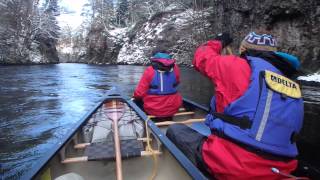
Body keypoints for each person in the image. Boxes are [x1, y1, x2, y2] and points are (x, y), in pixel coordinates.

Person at [166, 32, 304, 179]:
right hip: (279, 170)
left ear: (243, 49)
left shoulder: (234, 65)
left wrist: (219, 41)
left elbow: (201, 57)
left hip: (234, 167)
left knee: (175, 130)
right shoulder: (292, 84)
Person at [133, 50, 182, 118]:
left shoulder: (150, 70)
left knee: (136, 100)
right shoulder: (176, 68)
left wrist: (135, 97)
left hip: (154, 110)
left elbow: (139, 93)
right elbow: (176, 83)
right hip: (174, 109)